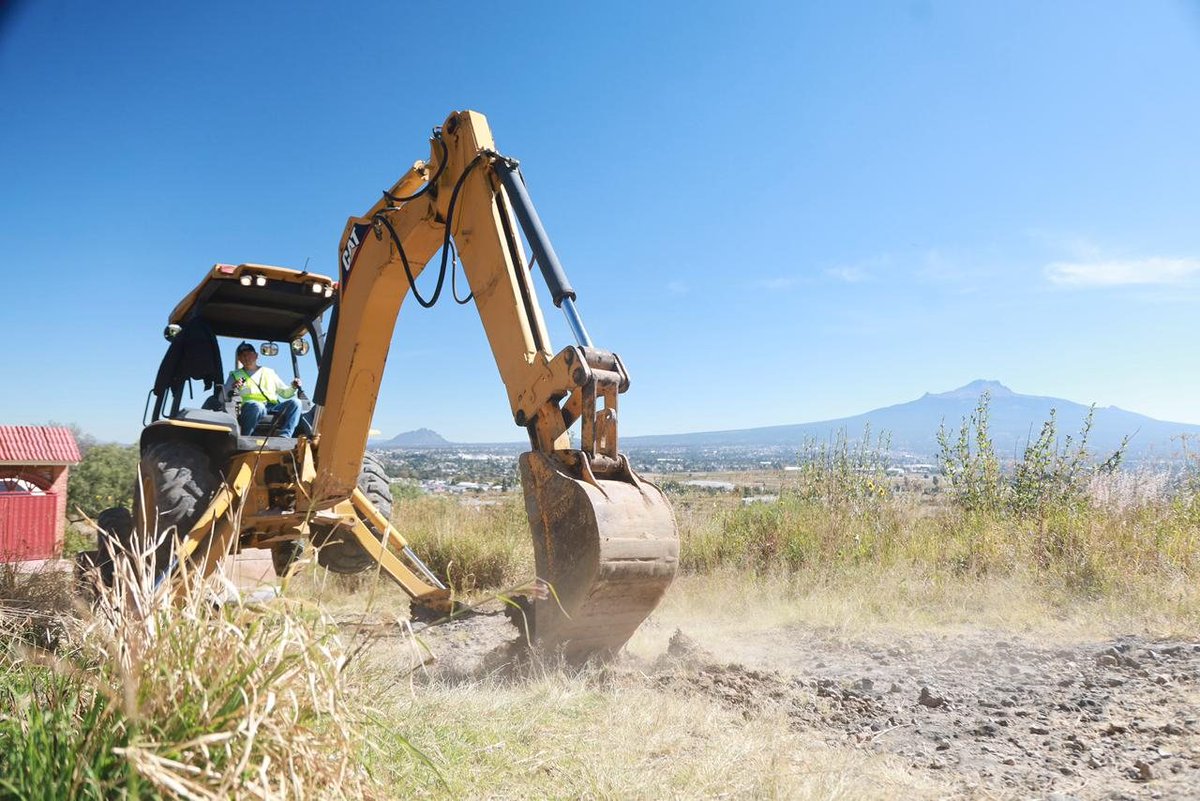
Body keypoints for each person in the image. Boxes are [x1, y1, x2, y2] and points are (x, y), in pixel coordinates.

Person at [224, 342, 303, 436]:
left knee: (296, 403)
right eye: (242, 355)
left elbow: (285, 393)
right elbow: (224, 396)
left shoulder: (269, 372)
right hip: (250, 408)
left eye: (249, 354)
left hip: (272, 407)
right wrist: (234, 388)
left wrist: (293, 387)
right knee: (257, 406)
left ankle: (285, 436)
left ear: (256, 356)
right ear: (239, 359)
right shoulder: (235, 375)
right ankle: (247, 436)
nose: (246, 357)